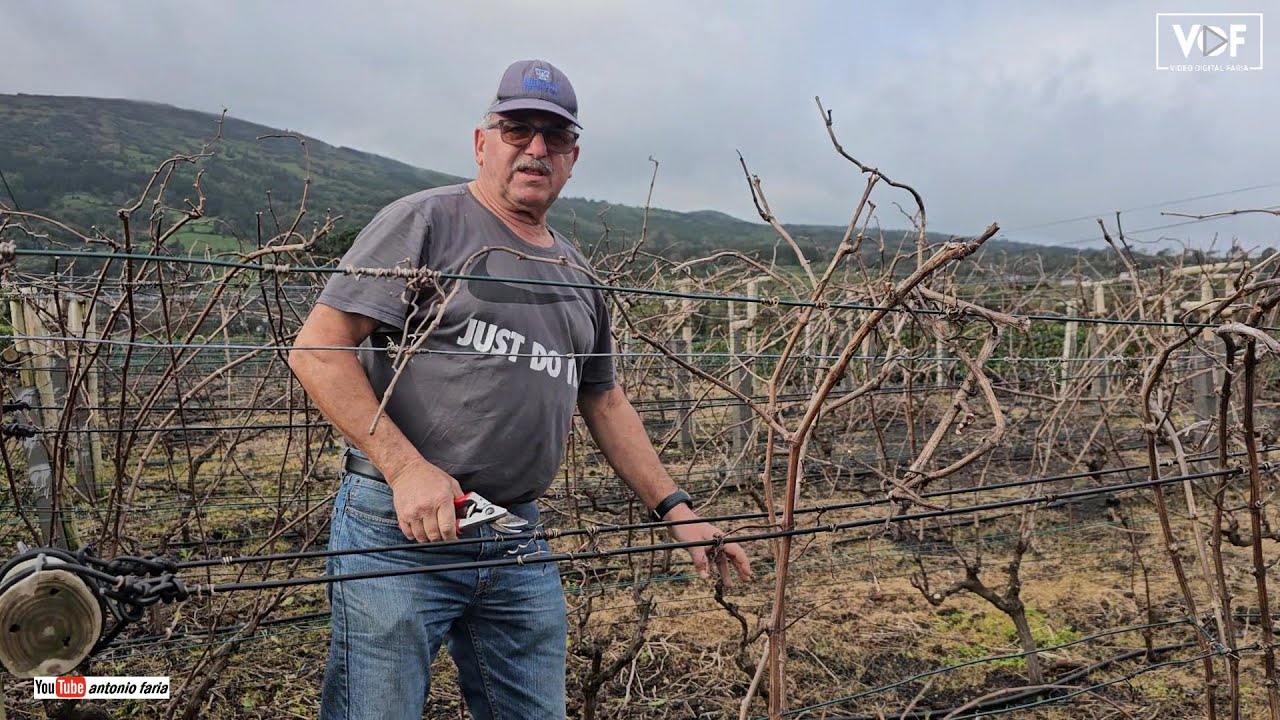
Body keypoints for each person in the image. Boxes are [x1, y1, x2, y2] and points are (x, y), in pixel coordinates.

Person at [288, 59, 752, 720]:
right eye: (516, 129)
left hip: (510, 529)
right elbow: (319, 347)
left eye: (553, 137)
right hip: (399, 524)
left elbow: (605, 400)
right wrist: (406, 469)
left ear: (572, 158)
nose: (535, 148)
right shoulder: (425, 222)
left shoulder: (576, 272)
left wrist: (678, 511)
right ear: (483, 143)